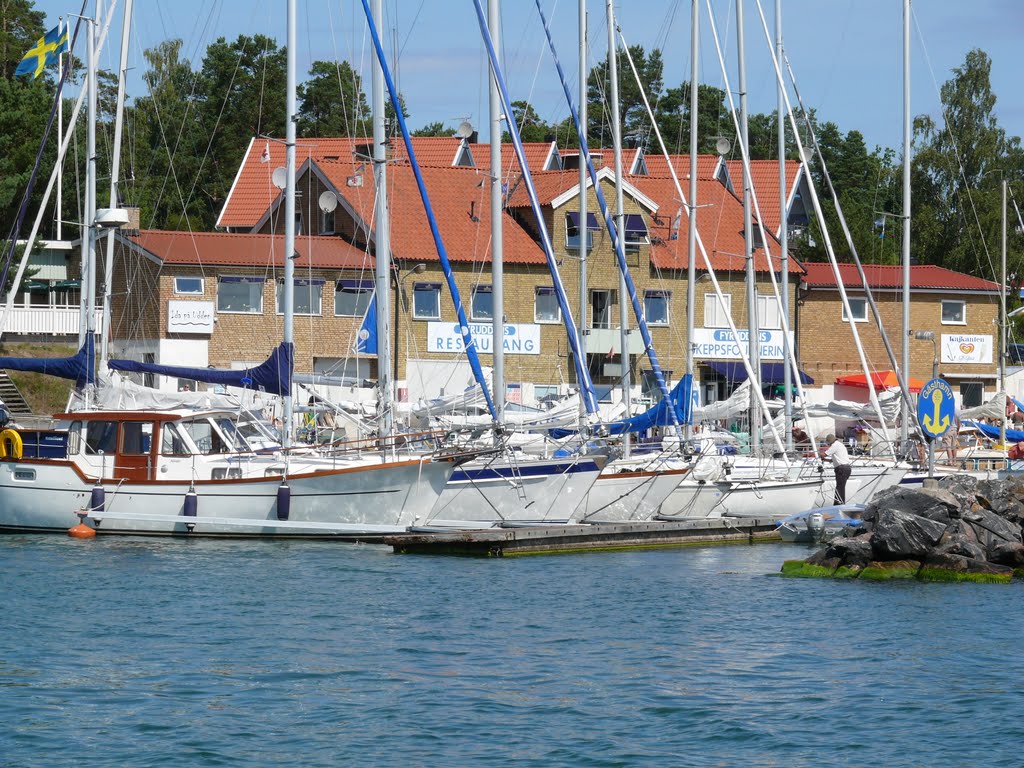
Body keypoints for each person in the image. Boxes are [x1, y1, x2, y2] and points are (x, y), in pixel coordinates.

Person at [820, 433, 852, 506]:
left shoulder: (834, 446)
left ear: (830, 442)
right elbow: (834, 459)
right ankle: (839, 503)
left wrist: (817, 454)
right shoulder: (840, 445)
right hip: (846, 468)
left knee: (839, 488)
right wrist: (825, 460)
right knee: (840, 487)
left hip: (842, 469)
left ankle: (839, 504)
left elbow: (824, 454)